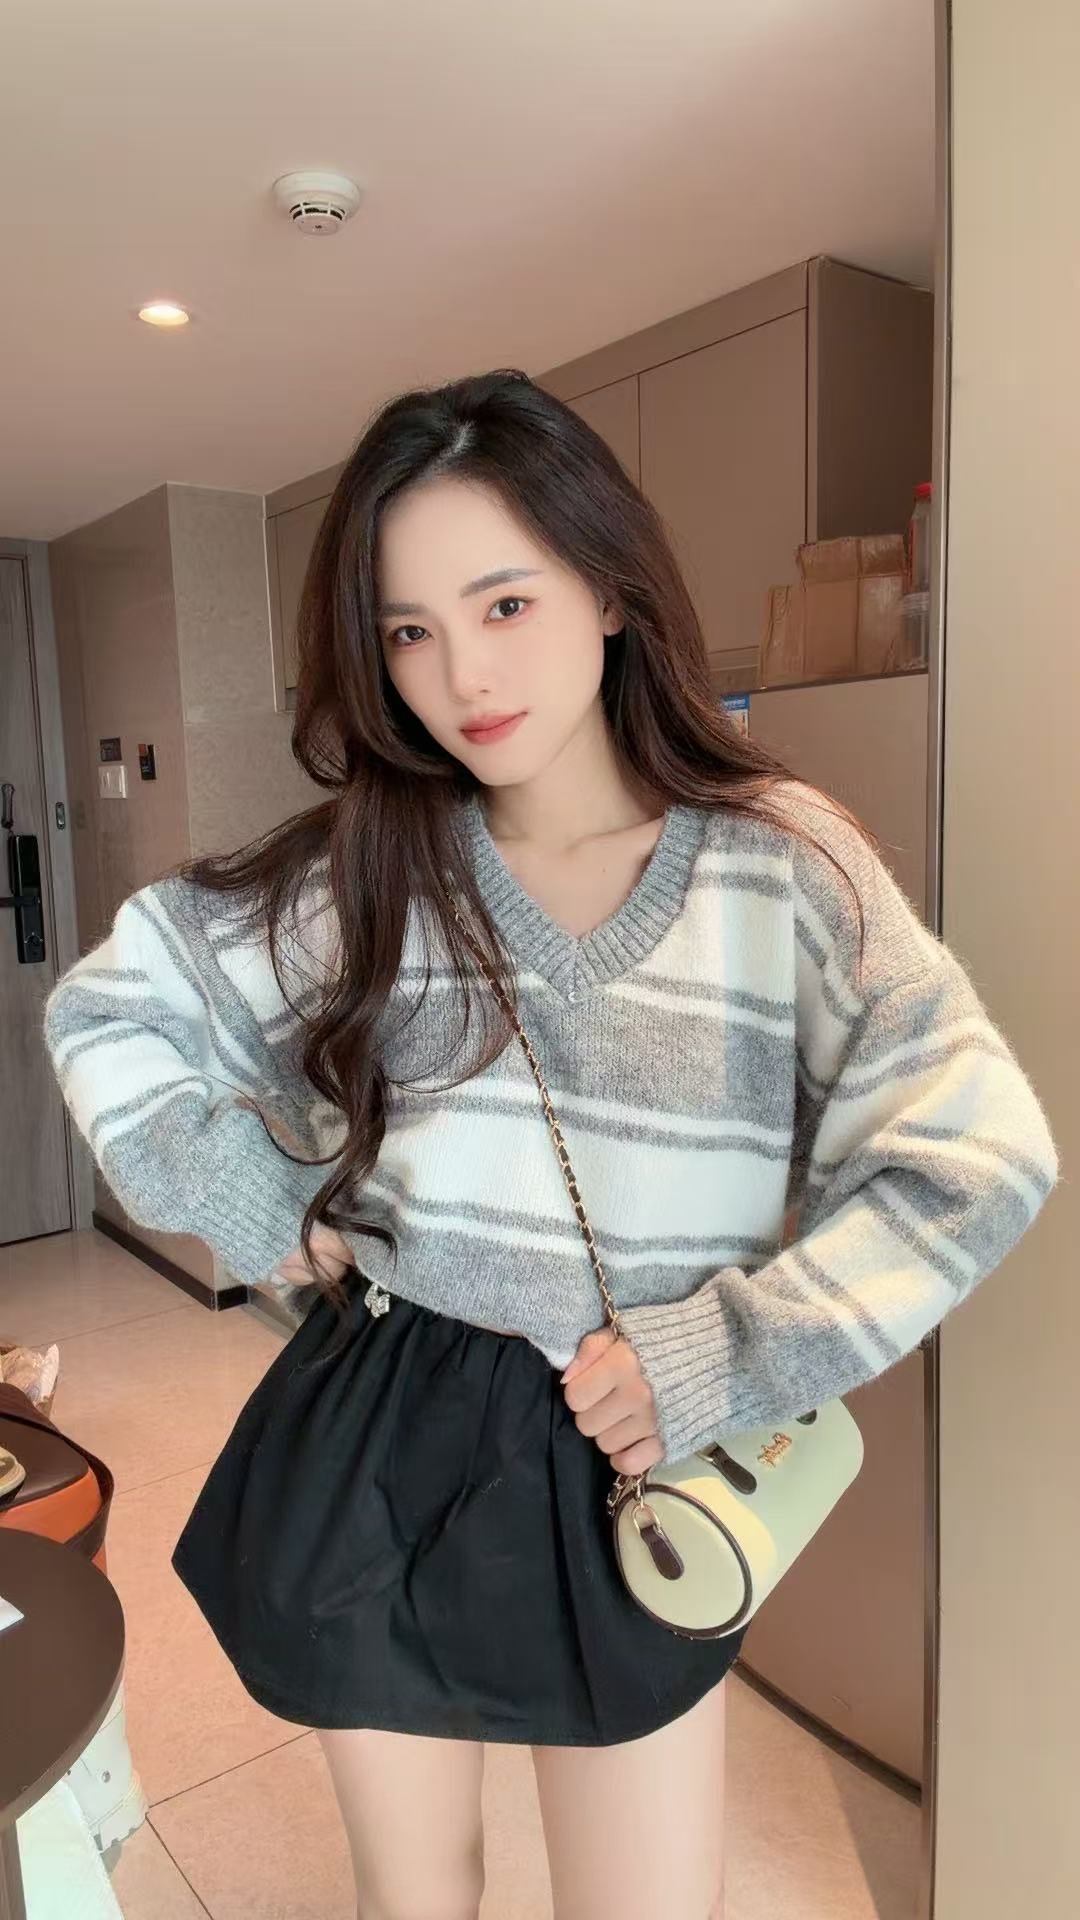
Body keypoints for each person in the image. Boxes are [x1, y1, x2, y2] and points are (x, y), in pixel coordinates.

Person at [43, 370, 1057, 1920]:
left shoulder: (779, 866)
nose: (462, 673)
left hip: (630, 1437)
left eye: (504, 602)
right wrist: (252, 1192)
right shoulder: (371, 865)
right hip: (389, 1420)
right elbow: (116, 1009)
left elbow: (977, 1151)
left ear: (609, 590)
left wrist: (729, 1350)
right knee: (414, 1898)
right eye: (408, 630)